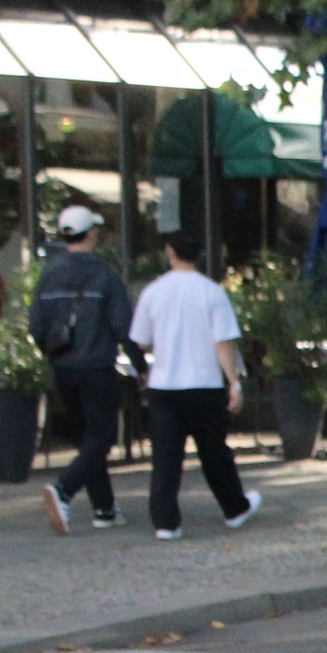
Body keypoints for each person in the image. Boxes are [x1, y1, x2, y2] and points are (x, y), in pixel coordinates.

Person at [130, 230, 261, 541]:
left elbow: (141, 340)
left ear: (170, 252)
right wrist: (234, 382)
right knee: (214, 451)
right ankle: (234, 507)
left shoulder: (153, 292)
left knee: (166, 455)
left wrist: (163, 344)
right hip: (204, 383)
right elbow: (223, 342)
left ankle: (166, 522)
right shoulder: (212, 292)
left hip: (165, 384)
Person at [29, 205, 135, 534]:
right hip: (97, 366)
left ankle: (105, 508)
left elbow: (36, 325)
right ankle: (63, 490)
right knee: (102, 437)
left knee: (88, 440)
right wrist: (140, 364)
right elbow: (123, 327)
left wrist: (52, 352)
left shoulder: (49, 275)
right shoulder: (105, 275)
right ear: (90, 234)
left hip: (63, 366)